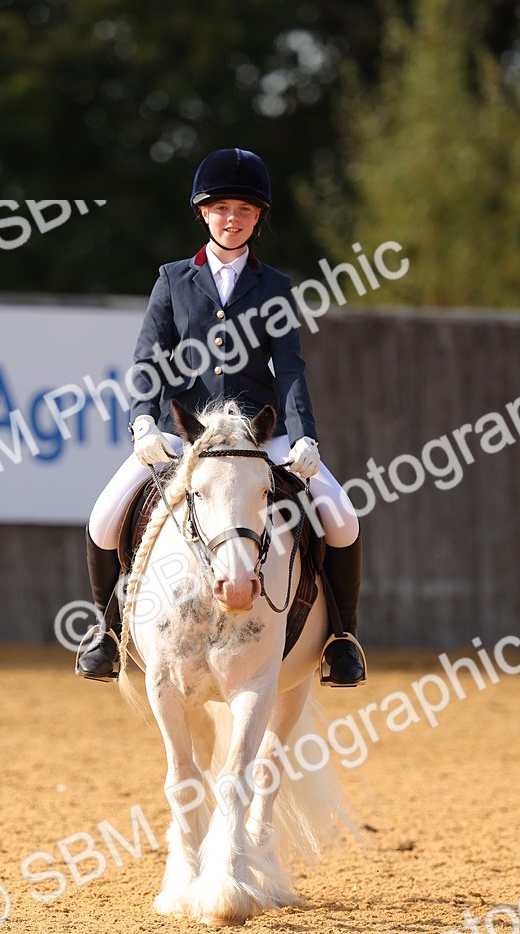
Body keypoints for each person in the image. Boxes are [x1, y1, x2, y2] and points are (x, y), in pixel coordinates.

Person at [76, 147, 366, 686]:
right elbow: (147, 359)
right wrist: (142, 421)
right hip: (182, 435)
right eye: (222, 208)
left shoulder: (275, 286)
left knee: (343, 519)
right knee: (103, 517)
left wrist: (305, 438)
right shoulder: (172, 280)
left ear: (258, 219)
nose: (233, 219)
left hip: (258, 436)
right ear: (203, 213)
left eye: (245, 211)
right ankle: (107, 631)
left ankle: (342, 638)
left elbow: (291, 368)